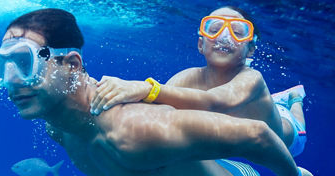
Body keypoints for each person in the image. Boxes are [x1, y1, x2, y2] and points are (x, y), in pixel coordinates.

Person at [0, 8, 320, 176]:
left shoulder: (133, 130)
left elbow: (257, 133)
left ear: (71, 64)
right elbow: (105, 167)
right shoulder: (61, 128)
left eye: (23, 62)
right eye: (0, 66)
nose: (11, 82)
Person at [90, 6, 308, 157]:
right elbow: (156, 109)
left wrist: (146, 87)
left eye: (237, 32)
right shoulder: (189, 77)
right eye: (214, 29)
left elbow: (213, 101)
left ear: (250, 49)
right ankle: (277, 101)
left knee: (294, 123)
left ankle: (294, 98)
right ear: (200, 45)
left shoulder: (251, 78)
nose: (224, 37)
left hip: (289, 138)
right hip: (246, 124)